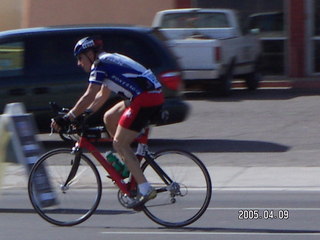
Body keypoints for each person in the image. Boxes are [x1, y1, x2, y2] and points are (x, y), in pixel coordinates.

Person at [51, 36, 164, 209]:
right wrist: (85, 114)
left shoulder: (100, 65)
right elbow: (100, 96)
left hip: (144, 99)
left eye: (80, 58)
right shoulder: (108, 60)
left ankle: (145, 188)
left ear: (90, 53)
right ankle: (129, 165)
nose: (79, 63)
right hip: (147, 96)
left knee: (119, 143)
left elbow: (89, 94)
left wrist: (69, 117)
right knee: (109, 117)